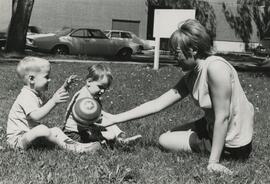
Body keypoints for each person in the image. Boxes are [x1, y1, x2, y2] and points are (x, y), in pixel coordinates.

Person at [98, 19, 254, 174]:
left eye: (176, 53)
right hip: (212, 125)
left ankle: (213, 150)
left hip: (233, 142)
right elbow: (157, 104)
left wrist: (213, 162)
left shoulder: (215, 67)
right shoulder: (191, 76)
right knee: (170, 135)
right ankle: (204, 136)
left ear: (193, 49)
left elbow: (223, 117)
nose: (174, 58)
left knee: (164, 140)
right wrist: (115, 118)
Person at [6, 56, 101, 153]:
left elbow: (50, 101)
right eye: (46, 77)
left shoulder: (36, 94)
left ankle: (77, 145)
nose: (49, 80)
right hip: (17, 141)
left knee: (55, 130)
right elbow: (36, 116)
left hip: (28, 135)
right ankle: (71, 148)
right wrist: (53, 101)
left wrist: (64, 87)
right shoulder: (26, 96)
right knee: (42, 129)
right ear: (31, 79)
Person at [63, 64, 142, 147]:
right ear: (89, 82)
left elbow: (99, 115)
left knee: (110, 120)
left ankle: (120, 139)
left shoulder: (93, 96)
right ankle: (115, 141)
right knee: (108, 135)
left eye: (105, 88)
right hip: (74, 133)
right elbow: (83, 119)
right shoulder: (83, 97)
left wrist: (108, 118)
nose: (102, 91)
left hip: (86, 128)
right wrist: (97, 129)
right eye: (100, 87)